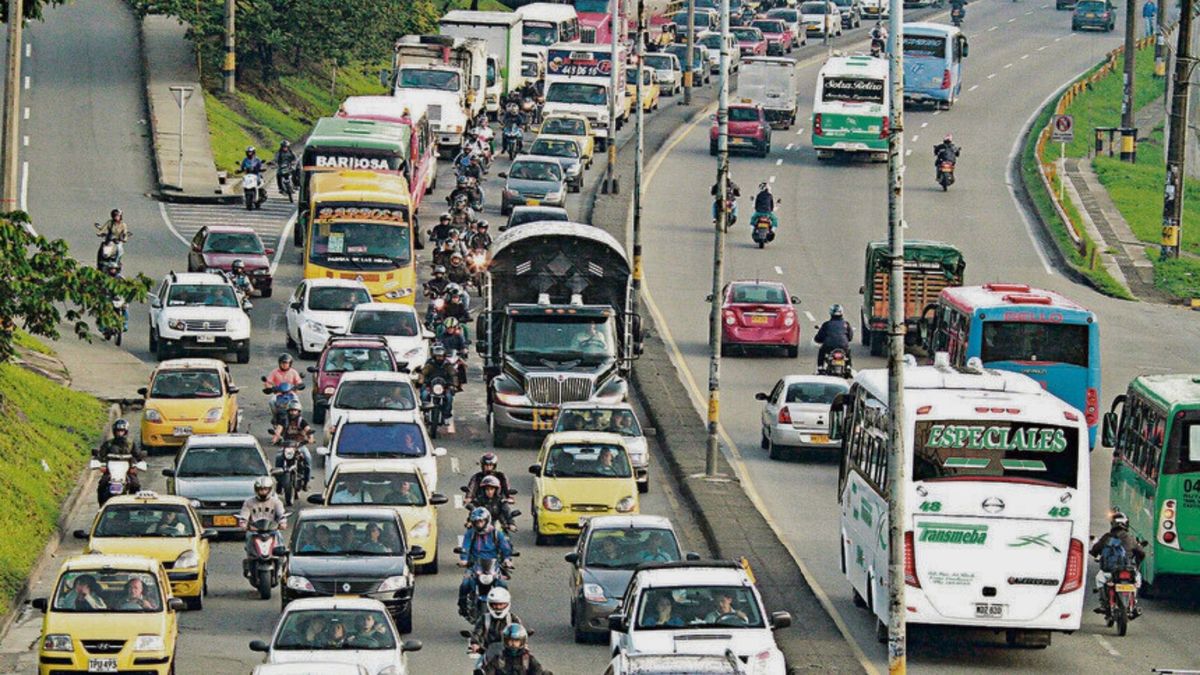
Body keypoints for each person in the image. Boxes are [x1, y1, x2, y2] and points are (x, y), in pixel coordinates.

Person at [458, 508, 513, 615]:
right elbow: (465, 547)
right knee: (465, 584)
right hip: (475, 565)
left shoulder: (496, 534)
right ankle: (463, 607)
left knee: (502, 584)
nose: (479, 524)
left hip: (493, 566)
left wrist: (507, 560)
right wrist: (464, 560)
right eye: (476, 522)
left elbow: (505, 548)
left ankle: (505, 609)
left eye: (481, 521)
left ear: (487, 520)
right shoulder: (470, 534)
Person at [1089, 511, 1146, 615]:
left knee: (1099, 579)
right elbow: (1141, 553)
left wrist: (1094, 553)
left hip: (1109, 571)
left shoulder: (1107, 537)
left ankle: (1103, 604)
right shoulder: (1131, 538)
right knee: (1137, 581)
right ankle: (1134, 604)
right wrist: (1137, 565)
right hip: (1128, 569)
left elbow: (1095, 550)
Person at [95, 419, 145, 504]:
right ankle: (102, 507)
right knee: (102, 485)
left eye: (122, 431)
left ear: (125, 432)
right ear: (114, 431)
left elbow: (138, 456)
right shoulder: (108, 444)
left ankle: (135, 506)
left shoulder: (131, 444)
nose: (120, 433)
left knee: (135, 484)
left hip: (128, 471)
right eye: (118, 431)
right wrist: (100, 465)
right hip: (110, 472)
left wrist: (139, 464)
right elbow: (100, 456)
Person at [238, 476, 287, 559]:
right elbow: (244, 515)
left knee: (279, 537)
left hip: (272, 530)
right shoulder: (249, 502)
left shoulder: (276, 502)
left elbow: (281, 514)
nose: (263, 492)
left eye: (265, 489)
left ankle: (280, 561)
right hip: (255, 531)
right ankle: (251, 558)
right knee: (249, 536)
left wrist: (283, 523)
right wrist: (243, 524)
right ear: (256, 490)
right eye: (260, 489)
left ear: (270, 489)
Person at [469, 587, 524, 657]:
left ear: (507, 604)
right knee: (478, 667)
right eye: (495, 604)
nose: (498, 607)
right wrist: (475, 643)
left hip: (509, 653)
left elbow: (520, 632)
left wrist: (524, 645)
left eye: (501, 604)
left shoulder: (513, 619)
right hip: (487, 652)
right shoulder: (484, 618)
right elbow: (477, 632)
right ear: (489, 604)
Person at [272, 401, 314, 490]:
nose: (293, 413)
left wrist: (310, 438)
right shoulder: (284, 420)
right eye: (291, 410)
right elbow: (279, 429)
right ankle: (279, 482)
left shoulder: (301, 421)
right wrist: (276, 438)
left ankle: (306, 481)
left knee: (308, 459)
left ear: (299, 412)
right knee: (278, 458)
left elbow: (308, 430)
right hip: (286, 445)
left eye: (295, 411)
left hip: (299, 445)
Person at [417, 345, 460, 426]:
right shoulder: (430, 364)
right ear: (434, 356)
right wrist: (421, 381)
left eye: (441, 356)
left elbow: (453, 375)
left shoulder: (447, 365)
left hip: (444, 387)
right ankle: (426, 412)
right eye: (437, 356)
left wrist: (454, 384)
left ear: (444, 356)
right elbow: (423, 373)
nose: (439, 358)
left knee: (449, 397)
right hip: (431, 386)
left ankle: (446, 416)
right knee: (424, 395)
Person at [479, 623, 546, 675]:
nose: (513, 644)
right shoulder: (499, 659)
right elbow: (488, 671)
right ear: (505, 641)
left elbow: (538, 671)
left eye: (516, 641)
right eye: (510, 641)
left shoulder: (528, 659)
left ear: (522, 641)